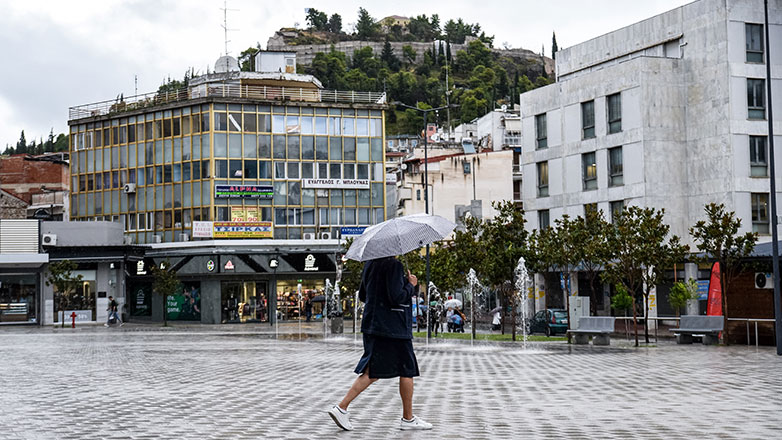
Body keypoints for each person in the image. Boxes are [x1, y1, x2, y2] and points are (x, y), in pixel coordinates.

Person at [328, 256, 432, 431]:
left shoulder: (370, 264)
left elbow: (363, 295)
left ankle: (343, 408)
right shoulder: (394, 265)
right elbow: (397, 297)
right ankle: (342, 407)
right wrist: (411, 285)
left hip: (373, 325)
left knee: (374, 371)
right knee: (406, 369)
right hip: (393, 327)